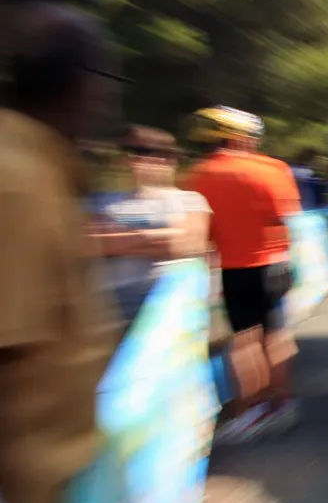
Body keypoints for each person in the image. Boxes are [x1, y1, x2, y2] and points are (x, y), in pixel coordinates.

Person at [0, 3, 124, 503]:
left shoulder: (43, 168)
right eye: (104, 82)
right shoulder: (18, 183)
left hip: (51, 496)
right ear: (82, 86)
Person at [186, 106, 303, 443]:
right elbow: (286, 216)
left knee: (244, 341)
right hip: (276, 261)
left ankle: (251, 410)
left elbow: (202, 232)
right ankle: (283, 403)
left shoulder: (200, 174)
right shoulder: (274, 168)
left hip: (234, 266)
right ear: (243, 138)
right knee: (277, 334)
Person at [89, 125, 212, 328]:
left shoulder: (190, 200)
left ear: (168, 159)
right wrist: (156, 236)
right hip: (111, 304)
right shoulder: (102, 201)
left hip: (167, 304)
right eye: (128, 151)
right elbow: (89, 244)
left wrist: (118, 239)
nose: (134, 160)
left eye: (144, 152)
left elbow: (185, 245)